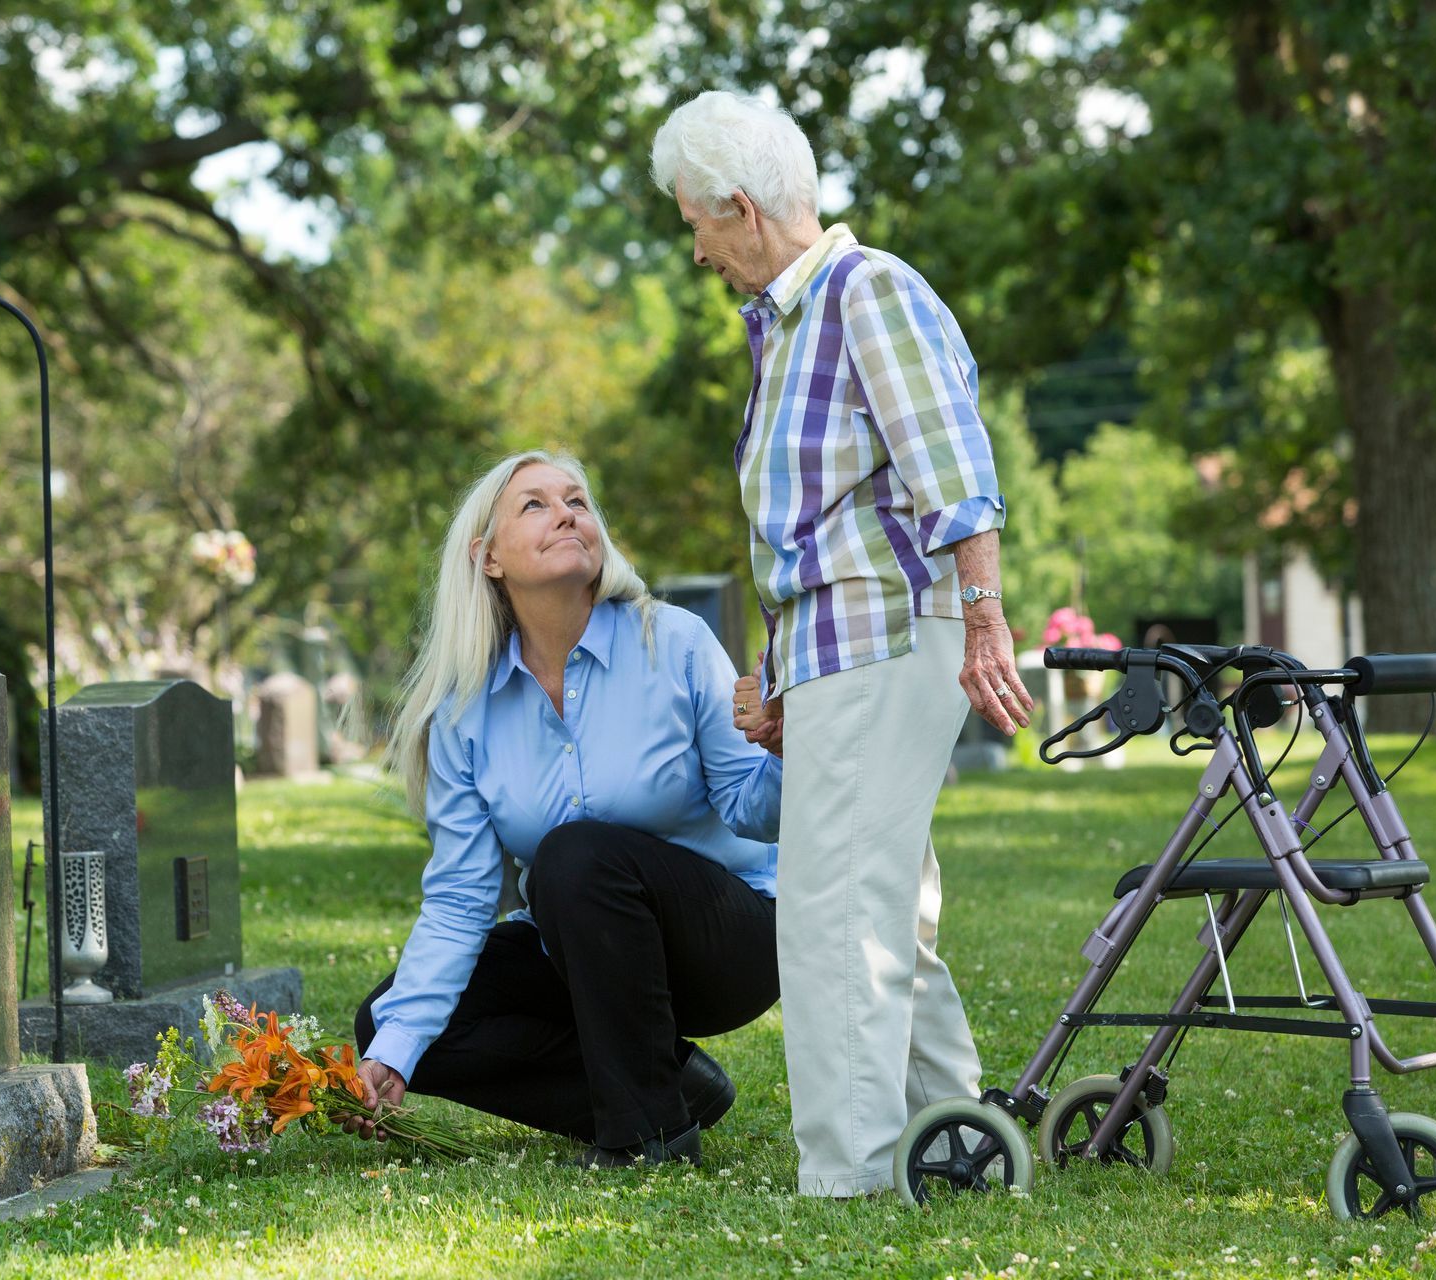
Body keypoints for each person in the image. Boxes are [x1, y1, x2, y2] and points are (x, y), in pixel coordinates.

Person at [650, 90, 1034, 1197]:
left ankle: (854, 1172)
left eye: (697, 221)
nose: (696, 249)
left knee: (831, 914)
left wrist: (983, 617)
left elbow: (952, 469)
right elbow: (814, 525)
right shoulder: (788, 323)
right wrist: (776, 673)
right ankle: (952, 1138)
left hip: (883, 638)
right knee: (883, 908)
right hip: (833, 644)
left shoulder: (869, 293)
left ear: (740, 206)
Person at [350, 449, 782, 1167]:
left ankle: (648, 1137)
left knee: (575, 854)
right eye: (536, 504)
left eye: (577, 501)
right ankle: (672, 1087)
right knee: (391, 1021)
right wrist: (396, 1053)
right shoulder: (465, 711)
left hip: (729, 940)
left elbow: (752, 810)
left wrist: (781, 751)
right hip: (583, 953)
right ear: (487, 559)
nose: (567, 514)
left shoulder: (672, 641)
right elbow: (462, 897)